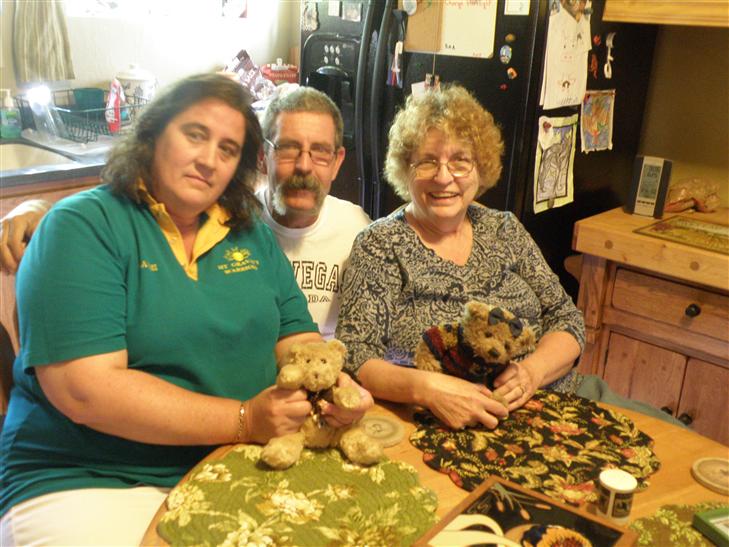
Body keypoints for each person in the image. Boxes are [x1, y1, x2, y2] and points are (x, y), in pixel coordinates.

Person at [0, 74, 372, 546]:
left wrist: (333, 382)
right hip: (89, 478)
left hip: (227, 461)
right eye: (195, 135)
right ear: (153, 133)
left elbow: (296, 338)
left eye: (227, 148)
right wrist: (245, 419)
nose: (207, 160)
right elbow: (86, 391)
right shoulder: (81, 227)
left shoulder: (250, 233)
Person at [0, 87, 371, 340]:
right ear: (262, 156)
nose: (304, 166)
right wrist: (41, 209)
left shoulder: (358, 229)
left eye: (320, 152)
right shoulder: (231, 218)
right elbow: (127, 206)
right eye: (288, 149)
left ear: (337, 162)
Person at [335, 85, 585, 431]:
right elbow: (355, 356)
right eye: (427, 161)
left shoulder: (505, 230)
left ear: (480, 168)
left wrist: (532, 372)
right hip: (439, 423)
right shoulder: (380, 245)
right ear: (405, 170)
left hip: (553, 405)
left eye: (460, 161)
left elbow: (567, 319)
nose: (443, 176)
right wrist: (430, 390)